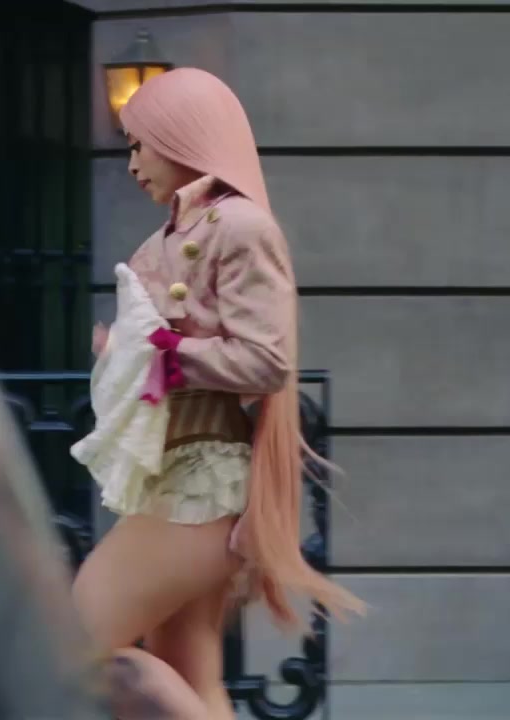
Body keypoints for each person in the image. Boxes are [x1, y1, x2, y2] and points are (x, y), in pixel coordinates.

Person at [73, 67, 365, 719]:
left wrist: (163, 354)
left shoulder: (239, 227)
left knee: (76, 649)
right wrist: (124, 358)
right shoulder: (168, 239)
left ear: (183, 135)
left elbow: (266, 360)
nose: (132, 164)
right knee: (191, 674)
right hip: (174, 477)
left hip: (200, 484)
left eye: (141, 145)